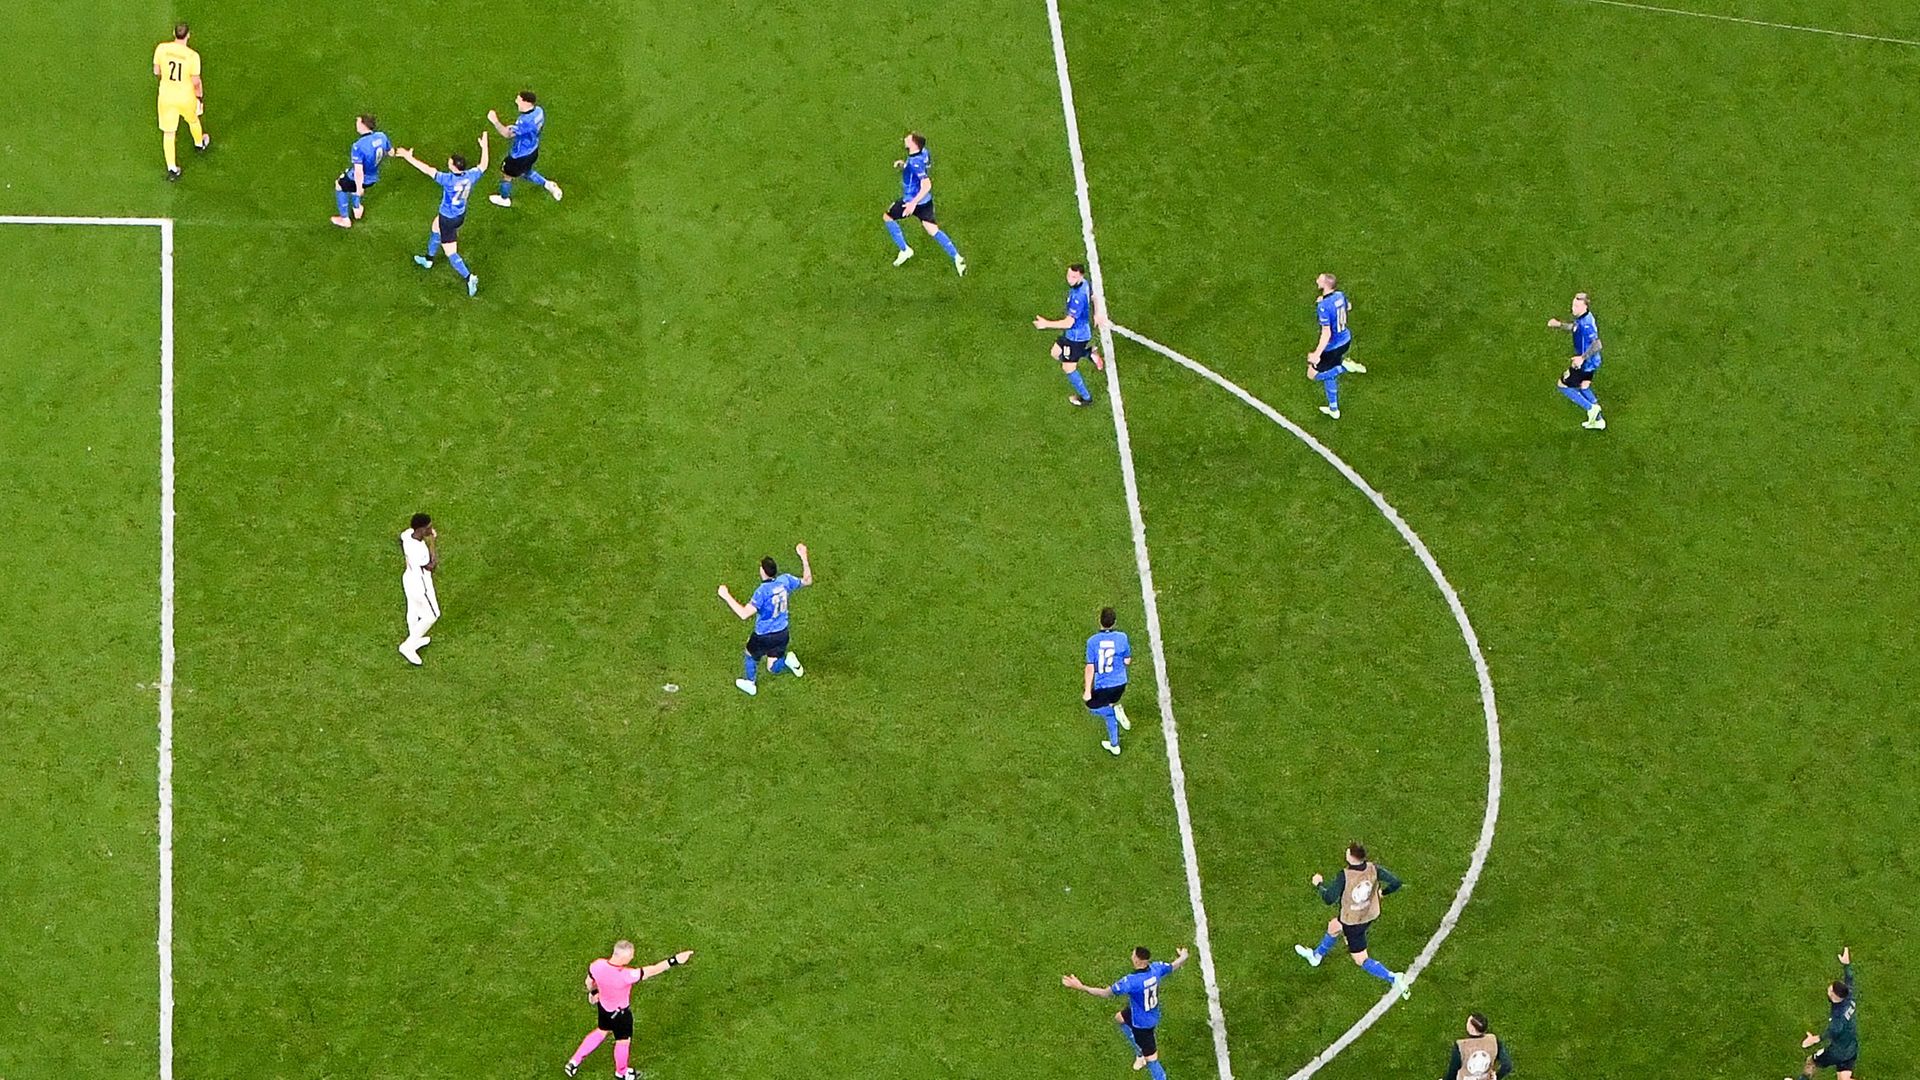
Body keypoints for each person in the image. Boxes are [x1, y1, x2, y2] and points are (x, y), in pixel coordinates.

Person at [1293, 842, 1410, 998]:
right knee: (1334, 926)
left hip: (1353, 921)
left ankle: (1393, 977)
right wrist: (1382, 893)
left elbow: (1329, 898)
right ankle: (1316, 956)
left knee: (1361, 958)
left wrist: (1319, 884)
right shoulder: (1373, 868)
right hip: (1369, 914)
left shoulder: (1345, 875)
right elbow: (1396, 882)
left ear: (1351, 857)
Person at [565, 939, 695, 1080]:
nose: (632, 957)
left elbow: (589, 982)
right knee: (623, 1041)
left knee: (601, 1031)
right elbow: (654, 970)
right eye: (630, 955)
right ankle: (621, 1072)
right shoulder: (626, 976)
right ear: (623, 957)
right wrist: (675, 960)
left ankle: (574, 1062)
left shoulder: (597, 965)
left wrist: (593, 993)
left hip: (603, 1008)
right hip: (621, 1015)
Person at [1062, 945, 1190, 1079]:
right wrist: (1183, 956)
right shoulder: (1157, 968)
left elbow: (1106, 993)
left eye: (1133, 955)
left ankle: (1152, 1068)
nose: (1131, 956)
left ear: (1137, 960)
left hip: (1142, 1023)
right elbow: (1173, 966)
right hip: (1151, 1011)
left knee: (1152, 1060)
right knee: (1120, 1018)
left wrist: (1080, 986)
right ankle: (1140, 1054)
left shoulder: (1131, 982)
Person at [394, 134, 489, 297]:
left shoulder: (448, 180)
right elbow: (484, 165)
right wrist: (484, 146)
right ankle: (429, 260)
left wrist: (408, 157)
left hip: (448, 218)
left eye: (450, 162)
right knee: (434, 226)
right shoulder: (470, 176)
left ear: (453, 167)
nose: (448, 163)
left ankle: (469, 277)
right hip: (460, 214)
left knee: (450, 251)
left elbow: (427, 170)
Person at [717, 543, 813, 696]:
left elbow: (744, 614)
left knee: (750, 654)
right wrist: (804, 557)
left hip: (764, 635)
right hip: (782, 632)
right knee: (772, 666)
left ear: (763, 572)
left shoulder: (762, 592)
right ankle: (787, 660)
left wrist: (726, 595)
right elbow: (807, 581)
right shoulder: (785, 581)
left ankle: (751, 683)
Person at [883, 132, 965, 275]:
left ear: (914, 143)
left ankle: (905, 250)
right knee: (933, 230)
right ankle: (957, 257)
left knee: (887, 217)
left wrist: (912, 203)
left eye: (908, 138)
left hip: (910, 201)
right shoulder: (923, 153)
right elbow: (920, 166)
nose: (905, 139)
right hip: (925, 201)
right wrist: (904, 165)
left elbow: (926, 184)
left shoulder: (915, 163)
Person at [1033, 263, 1103, 407]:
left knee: (1068, 368)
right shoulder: (1084, 283)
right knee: (1055, 353)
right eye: (1069, 275)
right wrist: (1097, 313)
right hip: (1073, 334)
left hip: (1076, 338)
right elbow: (1094, 296)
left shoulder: (1078, 298)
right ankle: (1088, 353)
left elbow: (1068, 323)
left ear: (1080, 276)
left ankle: (1086, 398)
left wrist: (1046, 324)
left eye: (1073, 277)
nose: (1070, 279)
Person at [486, 91, 562, 207]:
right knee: (526, 171)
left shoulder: (525, 120)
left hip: (519, 156)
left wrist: (494, 120)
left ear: (526, 102)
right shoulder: (539, 111)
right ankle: (547, 184)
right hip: (533, 150)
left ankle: (504, 199)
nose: (516, 101)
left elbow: (507, 134)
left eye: (518, 99)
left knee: (507, 176)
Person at [152, 23, 208, 181]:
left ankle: (172, 168)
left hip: (166, 96)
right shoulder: (192, 56)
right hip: (185, 97)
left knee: (168, 133)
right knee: (193, 120)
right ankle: (199, 143)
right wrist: (199, 98)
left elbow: (157, 71)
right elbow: (196, 81)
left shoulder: (161, 49)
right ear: (188, 35)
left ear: (173, 33)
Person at [1306, 273, 1365, 420]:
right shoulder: (1339, 295)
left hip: (1332, 347)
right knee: (1329, 374)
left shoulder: (1323, 307)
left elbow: (1326, 334)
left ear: (1325, 284)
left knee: (1312, 375)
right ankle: (1334, 409)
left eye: (1319, 279)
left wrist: (1316, 354)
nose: (1316, 280)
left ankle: (1344, 367)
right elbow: (1348, 307)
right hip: (1346, 339)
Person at [1793, 947, 1858, 1080]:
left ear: (1834, 996)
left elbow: (1830, 1033)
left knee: (1812, 1061)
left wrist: (1813, 1039)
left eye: (1829, 990)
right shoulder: (1849, 995)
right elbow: (1849, 979)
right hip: (1851, 1047)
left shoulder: (1837, 1018)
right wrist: (1846, 964)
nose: (1827, 990)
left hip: (1837, 1051)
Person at [1547, 292, 1605, 430]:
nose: (1573, 308)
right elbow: (1574, 328)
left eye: (1576, 306)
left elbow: (1598, 344)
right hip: (1592, 362)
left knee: (1563, 385)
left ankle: (1591, 408)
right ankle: (1599, 421)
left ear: (1584, 307)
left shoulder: (1587, 324)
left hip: (1585, 362)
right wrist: (1559, 324)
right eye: (1573, 304)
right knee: (1584, 386)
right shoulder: (1583, 318)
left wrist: (1582, 358)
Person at [1083, 606, 1132, 756]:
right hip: (1120, 684)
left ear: (1100, 621)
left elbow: (1090, 667)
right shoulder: (1122, 637)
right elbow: (1127, 661)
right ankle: (1114, 745)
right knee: (1109, 708)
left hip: (1104, 685)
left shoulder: (1092, 642)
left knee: (1092, 706)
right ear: (1114, 622)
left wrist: (1087, 691)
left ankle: (1115, 711)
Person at [331, 115, 392, 228]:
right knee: (353, 185)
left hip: (362, 178)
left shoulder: (358, 146)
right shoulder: (382, 136)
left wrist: (359, 189)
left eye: (358, 123)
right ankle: (357, 207)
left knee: (340, 185)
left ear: (364, 125)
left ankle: (345, 220)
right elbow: (391, 152)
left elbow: (359, 171)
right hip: (373, 177)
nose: (356, 125)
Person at [397, 513, 439, 666]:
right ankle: (408, 646)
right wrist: (432, 542)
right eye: (428, 528)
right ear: (421, 530)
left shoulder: (407, 535)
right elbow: (432, 566)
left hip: (409, 578)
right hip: (421, 587)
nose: (431, 529)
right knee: (433, 615)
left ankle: (415, 638)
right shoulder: (421, 551)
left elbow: (400, 539)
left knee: (413, 609)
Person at [1441, 1012, 1513, 1080]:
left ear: (1472, 1029)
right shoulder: (1493, 1040)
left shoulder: (1461, 1046)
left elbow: (1453, 1071)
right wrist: (1496, 1077)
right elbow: (1507, 1065)